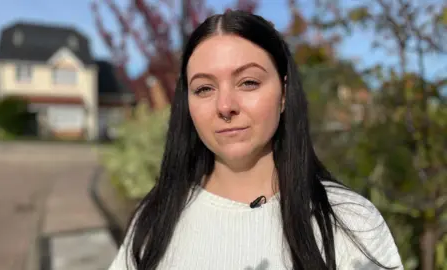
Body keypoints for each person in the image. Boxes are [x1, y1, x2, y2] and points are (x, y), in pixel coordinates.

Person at [108, 10, 404, 270]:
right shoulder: (155, 219)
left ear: (284, 93)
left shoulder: (350, 221)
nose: (225, 106)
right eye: (204, 88)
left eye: (248, 82)